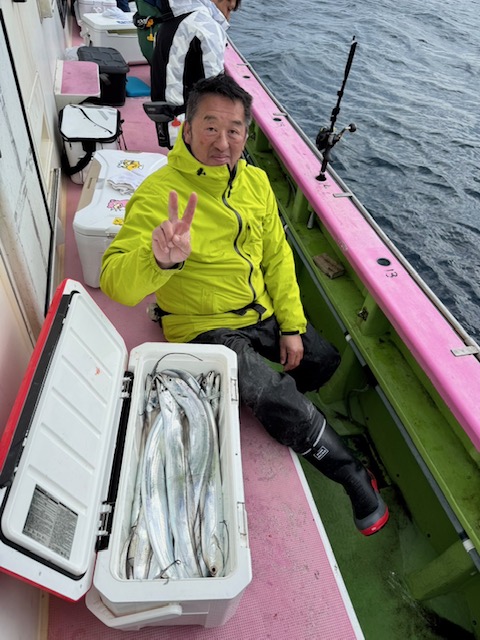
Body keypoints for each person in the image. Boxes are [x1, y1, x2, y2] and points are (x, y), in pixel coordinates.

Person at [100, 73, 389, 536]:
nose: (223, 142)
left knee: (322, 358)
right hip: (202, 324)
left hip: (259, 311)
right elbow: (116, 283)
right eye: (210, 127)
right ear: (187, 128)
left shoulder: (255, 182)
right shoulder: (158, 195)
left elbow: (277, 257)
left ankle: (283, 407)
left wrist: (290, 325)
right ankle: (352, 474)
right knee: (274, 395)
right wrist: (160, 260)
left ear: (247, 133)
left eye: (234, 129)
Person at [149, 0, 241, 148]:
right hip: (193, 128)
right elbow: (215, 85)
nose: (228, 18)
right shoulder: (206, 27)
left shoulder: (171, 20)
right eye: (229, 9)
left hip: (168, 121)